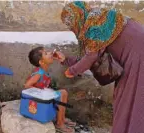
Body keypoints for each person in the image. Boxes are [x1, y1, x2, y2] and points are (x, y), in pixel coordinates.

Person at [56, 1, 144, 133]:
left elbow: (91, 57)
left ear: (77, 17)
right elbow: (90, 56)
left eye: (71, 24)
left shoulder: (94, 23)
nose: (72, 28)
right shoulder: (93, 19)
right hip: (135, 54)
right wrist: (66, 60)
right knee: (127, 97)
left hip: (138, 56)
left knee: (130, 99)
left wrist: (72, 71)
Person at [24, 47, 75, 133]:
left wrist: (54, 57)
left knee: (63, 93)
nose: (50, 53)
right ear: (41, 62)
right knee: (62, 93)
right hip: (37, 100)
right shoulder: (39, 73)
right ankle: (59, 123)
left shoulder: (43, 69)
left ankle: (61, 118)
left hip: (42, 98)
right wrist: (41, 92)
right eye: (46, 53)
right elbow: (27, 85)